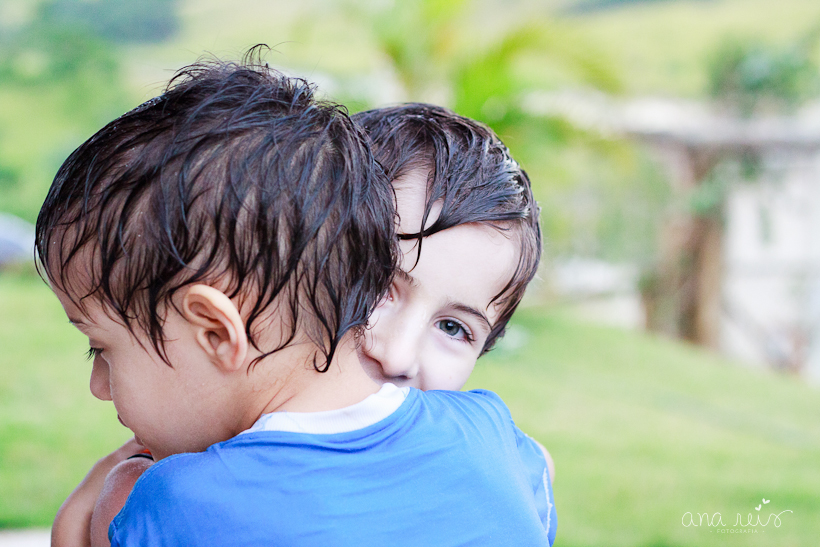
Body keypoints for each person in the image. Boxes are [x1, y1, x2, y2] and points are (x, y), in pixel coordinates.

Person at [39, 56, 553, 546]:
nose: (396, 355)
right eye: (375, 286)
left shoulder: (174, 502)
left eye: (453, 328)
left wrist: (110, 494)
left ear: (219, 329)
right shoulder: (493, 434)